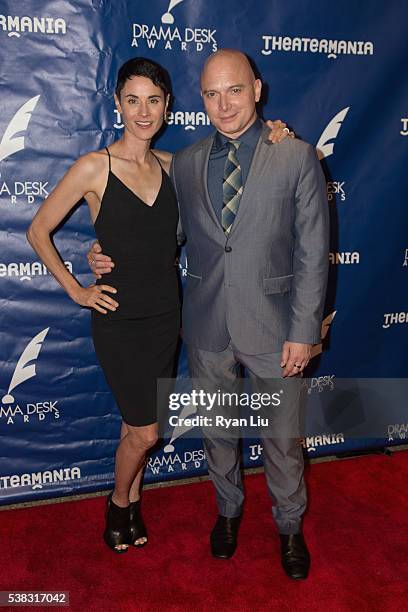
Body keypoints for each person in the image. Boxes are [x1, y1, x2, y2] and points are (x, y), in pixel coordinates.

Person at [27, 56, 290, 554]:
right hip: (118, 318)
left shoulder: (178, 165)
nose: (143, 112)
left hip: (168, 315)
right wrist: (77, 287)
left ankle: (130, 499)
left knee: (136, 427)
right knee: (146, 432)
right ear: (117, 105)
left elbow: (238, 165)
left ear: (167, 106)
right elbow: (38, 231)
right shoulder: (94, 166)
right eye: (132, 100)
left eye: (153, 100)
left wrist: (274, 132)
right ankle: (119, 501)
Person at [91, 49, 329, 578]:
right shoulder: (188, 162)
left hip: (274, 329)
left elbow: (314, 251)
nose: (224, 104)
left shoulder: (295, 156)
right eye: (212, 93)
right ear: (200, 99)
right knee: (219, 431)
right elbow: (161, 236)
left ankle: (289, 526)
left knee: (283, 439)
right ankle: (227, 512)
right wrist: (101, 252)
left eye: (235, 90)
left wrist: (304, 331)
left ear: (257, 90)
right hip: (205, 327)